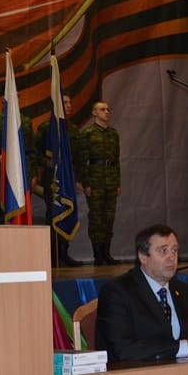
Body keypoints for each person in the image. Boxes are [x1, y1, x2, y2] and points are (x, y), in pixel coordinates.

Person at [97, 224, 188, 362]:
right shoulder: (118, 292)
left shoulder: (183, 291)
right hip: (135, 373)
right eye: (163, 251)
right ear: (143, 257)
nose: (171, 257)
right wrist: (184, 347)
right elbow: (124, 350)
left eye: (174, 250)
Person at [74, 100, 120, 265]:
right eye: (102, 109)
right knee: (96, 218)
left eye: (108, 109)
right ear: (94, 113)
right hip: (95, 179)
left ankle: (107, 253)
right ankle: (98, 255)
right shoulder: (87, 134)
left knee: (109, 217)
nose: (106, 112)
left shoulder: (113, 134)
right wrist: (86, 183)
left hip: (111, 179)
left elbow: (116, 160)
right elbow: (82, 160)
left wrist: (118, 183)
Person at [36, 93, 79, 265]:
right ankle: (53, 254)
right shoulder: (46, 127)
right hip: (52, 177)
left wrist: (77, 179)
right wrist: (45, 161)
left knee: (67, 211)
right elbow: (35, 152)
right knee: (53, 213)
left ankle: (64, 252)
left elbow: (77, 157)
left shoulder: (73, 129)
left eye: (69, 102)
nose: (68, 105)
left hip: (67, 178)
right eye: (64, 102)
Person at [0, 95, 37, 223]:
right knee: (6, 208)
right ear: (2, 98)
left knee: (23, 207)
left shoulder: (25, 120)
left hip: (24, 171)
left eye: (16, 96)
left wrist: (34, 174)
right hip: (4, 170)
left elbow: (32, 150)